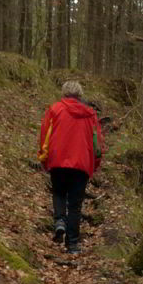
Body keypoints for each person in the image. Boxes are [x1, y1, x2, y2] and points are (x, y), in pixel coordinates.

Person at [38, 81, 103, 254]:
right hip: (81, 165)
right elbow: (98, 145)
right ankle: (72, 244)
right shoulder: (90, 115)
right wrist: (94, 164)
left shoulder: (54, 109)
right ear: (80, 95)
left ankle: (60, 221)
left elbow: (45, 136)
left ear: (64, 93)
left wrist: (44, 159)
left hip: (58, 161)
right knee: (75, 205)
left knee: (59, 193)